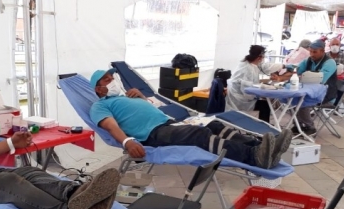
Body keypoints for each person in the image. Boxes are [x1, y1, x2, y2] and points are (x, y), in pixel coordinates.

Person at [88, 69, 292, 169]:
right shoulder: (100, 106)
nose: (112, 81)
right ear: (99, 89)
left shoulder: (126, 97)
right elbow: (111, 126)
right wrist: (127, 141)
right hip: (153, 134)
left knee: (213, 124)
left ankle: (262, 146)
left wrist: (141, 97)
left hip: (168, 123)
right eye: (107, 80)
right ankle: (253, 157)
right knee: (198, 134)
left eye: (112, 78)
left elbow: (155, 107)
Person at [272, 40, 337, 136]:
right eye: (310, 51)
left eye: (315, 52)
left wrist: (298, 77)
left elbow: (320, 80)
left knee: (302, 100)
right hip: (310, 91)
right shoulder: (308, 60)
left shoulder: (330, 62)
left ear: (322, 51)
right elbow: (296, 70)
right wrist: (280, 77)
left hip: (326, 94)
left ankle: (309, 127)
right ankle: (298, 125)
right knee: (291, 98)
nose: (312, 54)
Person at [226, 45, 281, 123]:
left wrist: (281, 67)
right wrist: (263, 87)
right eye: (263, 57)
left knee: (265, 103)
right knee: (265, 105)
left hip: (240, 95)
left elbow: (265, 68)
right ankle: (263, 127)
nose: (263, 59)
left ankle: (263, 126)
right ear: (259, 58)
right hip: (240, 99)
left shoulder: (250, 64)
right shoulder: (246, 68)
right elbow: (246, 86)